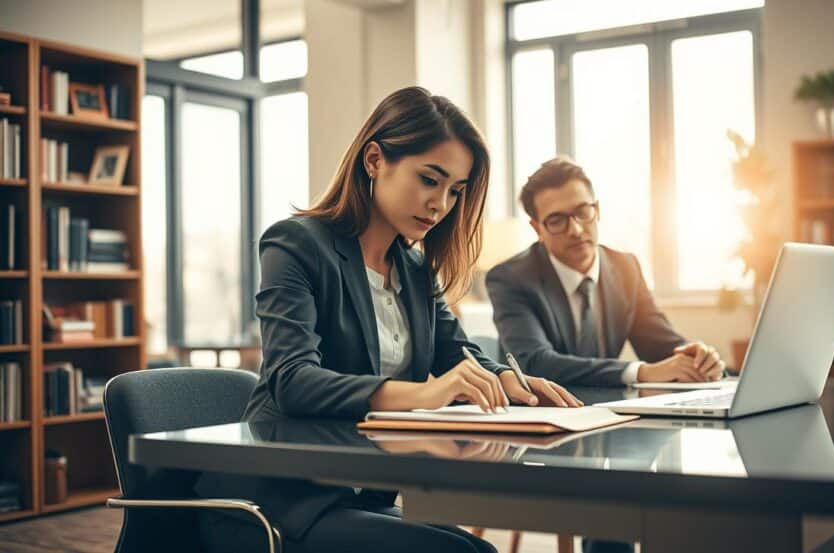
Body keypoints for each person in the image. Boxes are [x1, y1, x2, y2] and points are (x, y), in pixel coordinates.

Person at [196, 87, 581, 553]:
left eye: (455, 190)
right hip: (280, 501)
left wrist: (508, 379)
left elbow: (458, 351)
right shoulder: (295, 244)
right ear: (374, 159)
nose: (441, 204)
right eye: (429, 179)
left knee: (480, 550)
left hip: (360, 491)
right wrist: (425, 395)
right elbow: (291, 379)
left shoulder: (415, 268)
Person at [487, 157, 726, 388]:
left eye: (583, 212)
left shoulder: (626, 268)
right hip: (540, 415)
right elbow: (534, 363)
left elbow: (661, 345)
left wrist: (699, 359)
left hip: (610, 412)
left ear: (597, 210)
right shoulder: (510, 279)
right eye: (557, 220)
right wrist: (640, 372)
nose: (576, 230)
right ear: (537, 228)